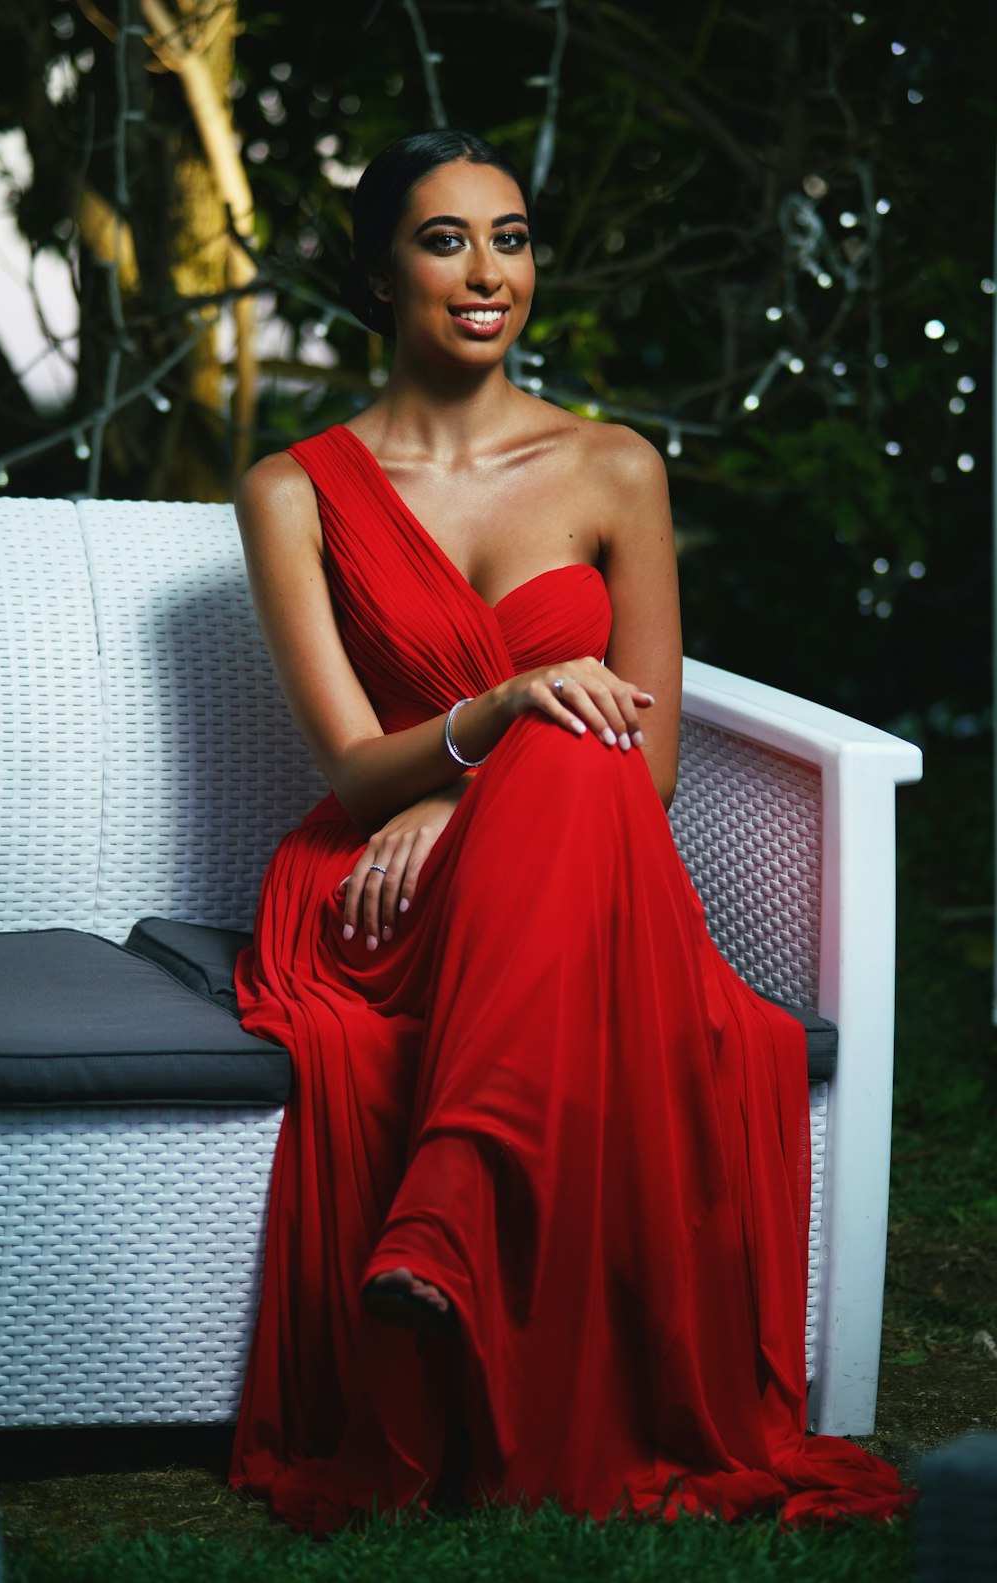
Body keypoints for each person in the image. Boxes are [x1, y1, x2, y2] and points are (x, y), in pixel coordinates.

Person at [228, 129, 907, 1531]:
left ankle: (452, 1210)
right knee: (563, 740)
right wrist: (495, 714)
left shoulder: (613, 468)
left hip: (577, 845)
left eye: (513, 238)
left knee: (587, 760)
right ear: (376, 274)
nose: (489, 273)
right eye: (445, 240)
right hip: (382, 900)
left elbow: (647, 764)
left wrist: (479, 779)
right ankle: (461, 1214)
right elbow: (357, 777)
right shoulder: (292, 490)